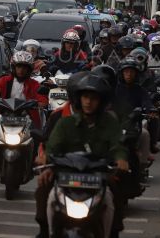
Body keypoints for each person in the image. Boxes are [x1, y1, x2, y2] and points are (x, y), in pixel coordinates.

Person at [35, 74, 128, 238]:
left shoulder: (110, 123)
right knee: (46, 193)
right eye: (85, 97)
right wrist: (46, 161)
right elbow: (52, 147)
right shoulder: (65, 123)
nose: (88, 102)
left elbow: (118, 145)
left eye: (93, 98)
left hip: (98, 175)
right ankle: (46, 232)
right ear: (79, 98)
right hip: (65, 174)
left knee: (112, 196)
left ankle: (111, 233)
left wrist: (121, 160)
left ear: (101, 101)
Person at [0, 51, 47, 128]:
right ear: (13, 67)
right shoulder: (3, 81)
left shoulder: (35, 84)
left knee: (37, 135)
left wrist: (37, 104)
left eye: (24, 68)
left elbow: (43, 101)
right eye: (19, 67)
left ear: (29, 69)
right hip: (4, 115)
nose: (21, 70)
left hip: (27, 117)